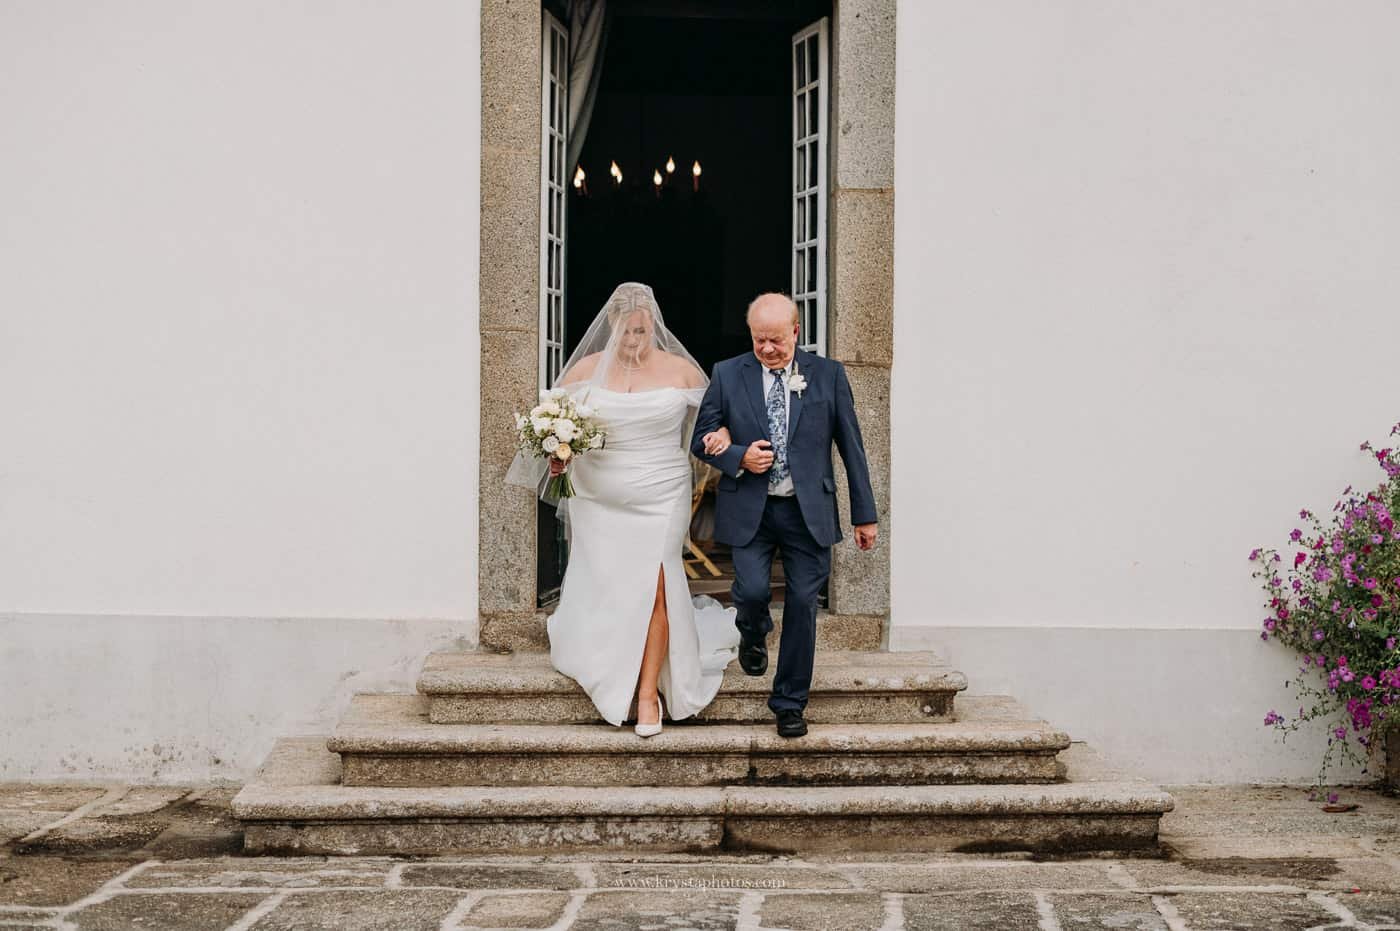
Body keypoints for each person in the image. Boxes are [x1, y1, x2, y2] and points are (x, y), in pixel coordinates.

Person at [506, 282, 740, 736]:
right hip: (601, 499)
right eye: (627, 332)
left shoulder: (682, 372)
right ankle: (612, 663)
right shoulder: (585, 372)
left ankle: (648, 692)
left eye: (643, 331)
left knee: (658, 585)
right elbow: (554, 429)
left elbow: (713, 423)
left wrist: (725, 438)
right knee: (613, 587)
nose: (635, 341)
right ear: (612, 327)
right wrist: (559, 452)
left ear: (655, 326)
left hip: (661, 493)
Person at [690, 292, 878, 737]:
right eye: (759, 340)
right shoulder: (727, 374)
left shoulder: (828, 376)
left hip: (808, 511)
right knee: (752, 591)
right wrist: (738, 455)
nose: (768, 349)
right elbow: (702, 438)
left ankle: (790, 702)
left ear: (796, 331)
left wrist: (863, 515)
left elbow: (852, 448)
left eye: (776, 339)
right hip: (751, 509)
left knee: (801, 606)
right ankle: (752, 632)